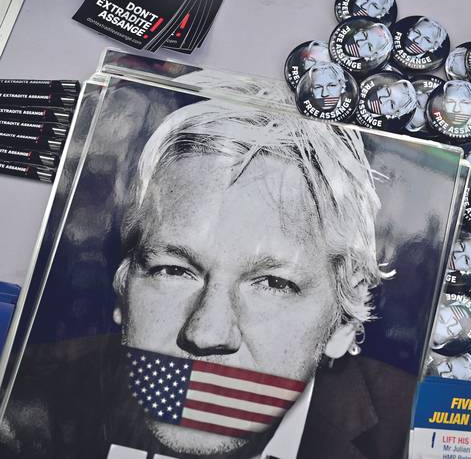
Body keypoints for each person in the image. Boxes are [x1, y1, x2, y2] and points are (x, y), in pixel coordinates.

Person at [2, 98, 416, 459]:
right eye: (174, 270)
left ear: (342, 324)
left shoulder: (413, 433)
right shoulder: (21, 404)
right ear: (122, 288)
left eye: (272, 282)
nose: (205, 333)